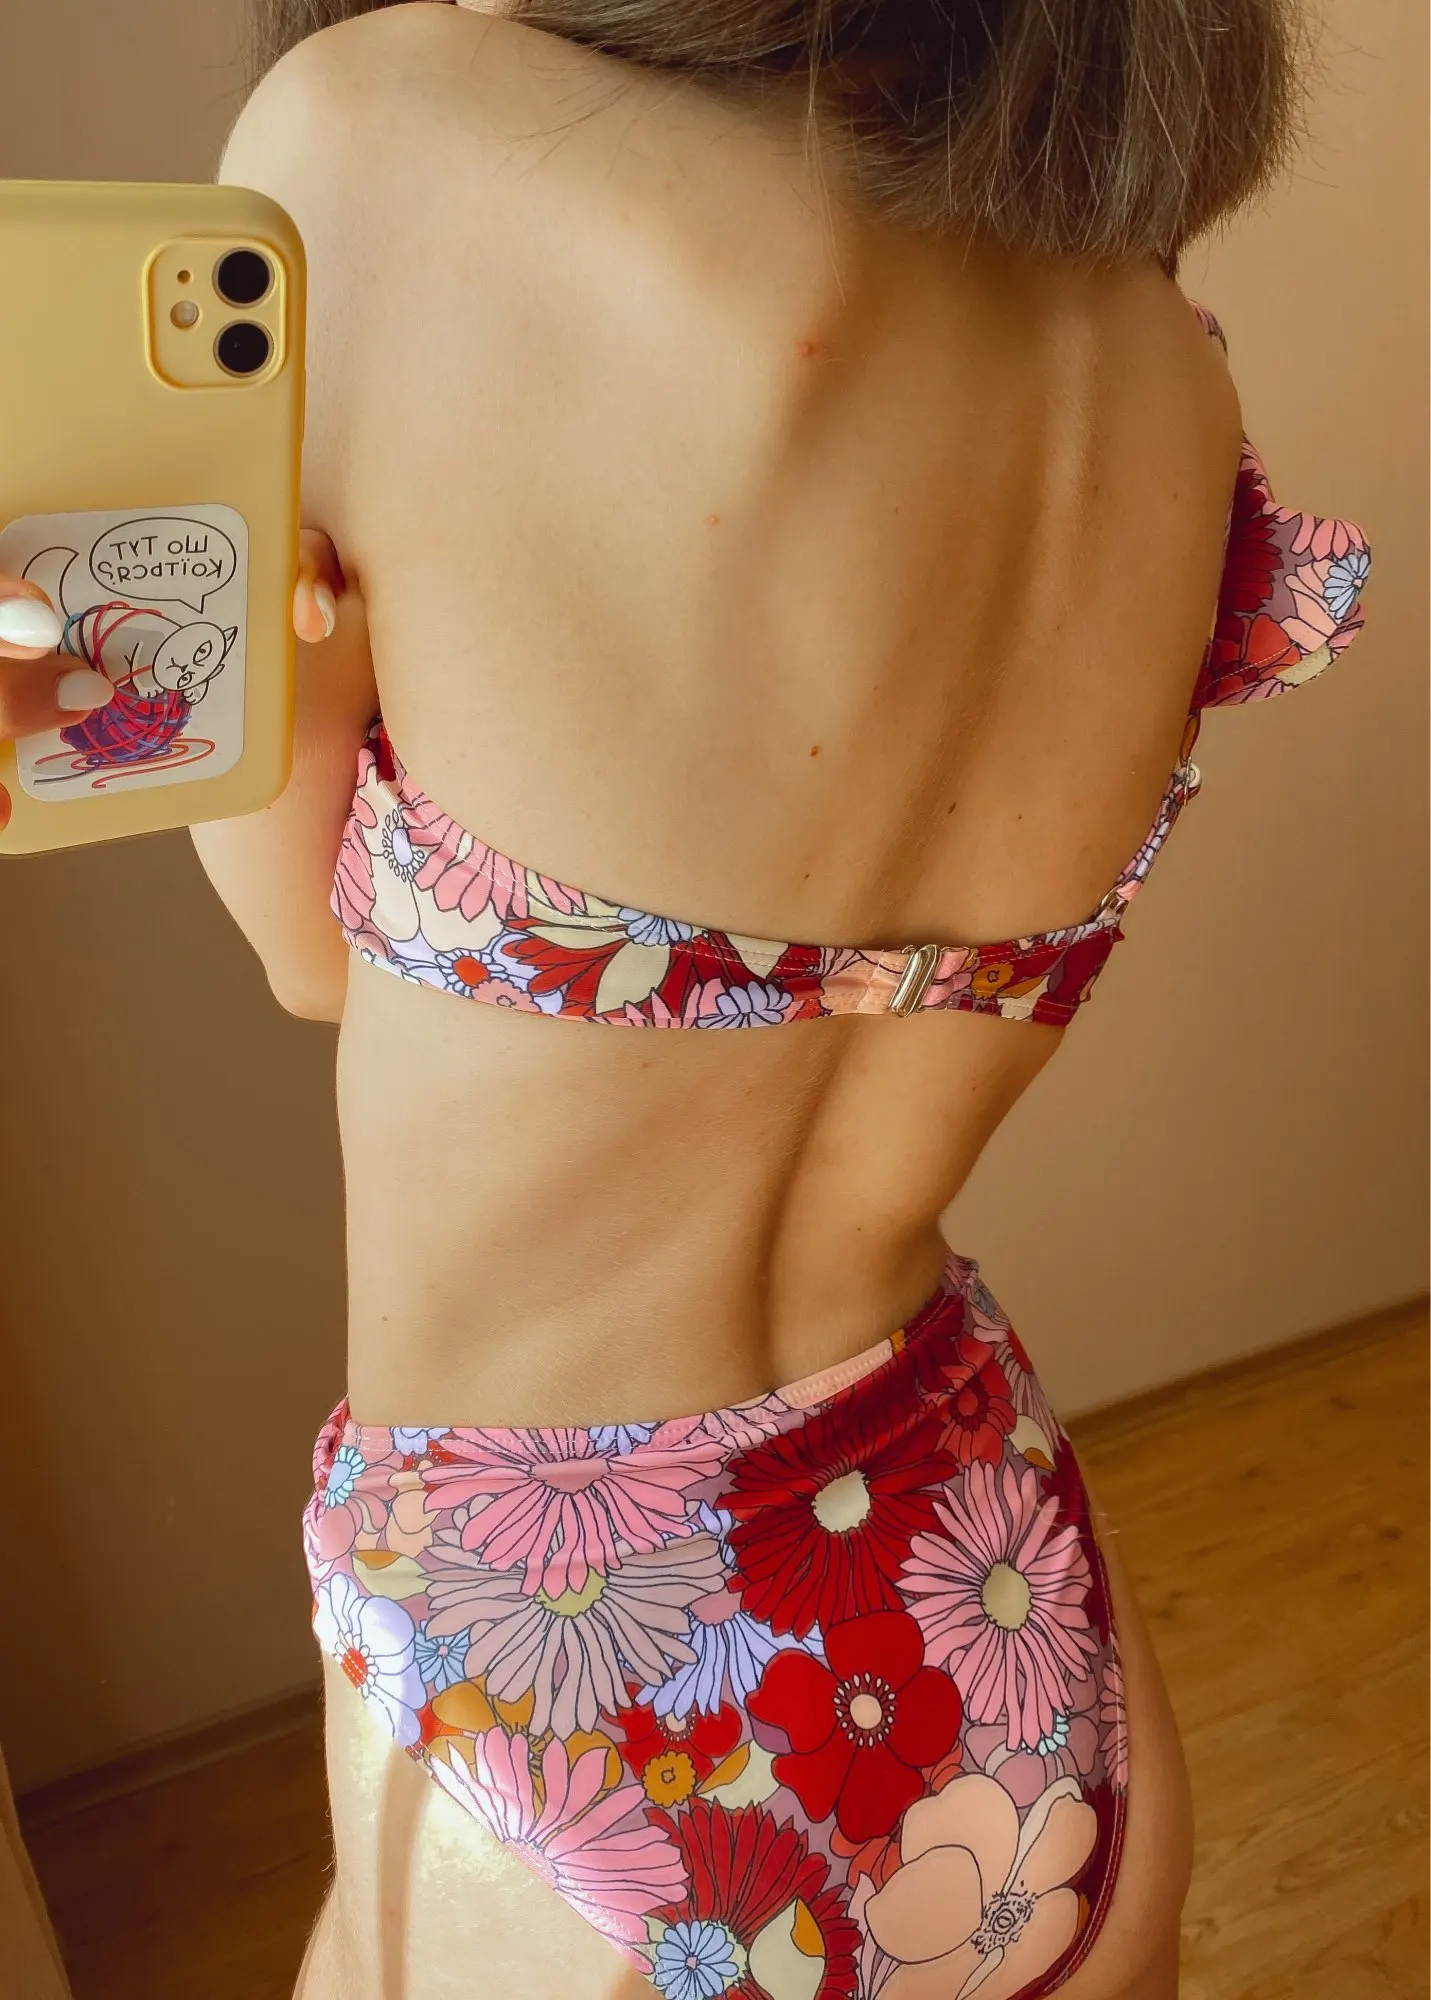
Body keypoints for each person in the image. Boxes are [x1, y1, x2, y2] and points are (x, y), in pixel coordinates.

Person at [37, 0, 1378, 1994]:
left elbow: (311, 958)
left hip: (557, 1665)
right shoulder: (1148, 355)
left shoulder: (386, 134)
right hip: (998, 1599)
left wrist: (219, 681)